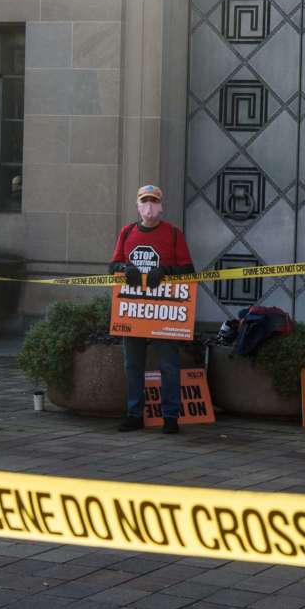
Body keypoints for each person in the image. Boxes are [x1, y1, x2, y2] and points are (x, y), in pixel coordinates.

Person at [110, 185, 195, 435]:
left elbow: (189, 269)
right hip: (134, 310)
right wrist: (126, 268)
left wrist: (167, 271)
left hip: (164, 311)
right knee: (132, 364)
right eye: (145, 202)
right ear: (138, 206)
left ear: (161, 206)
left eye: (154, 202)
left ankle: (170, 417)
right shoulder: (127, 233)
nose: (149, 207)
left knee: (169, 364)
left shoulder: (173, 234)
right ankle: (134, 414)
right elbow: (111, 265)